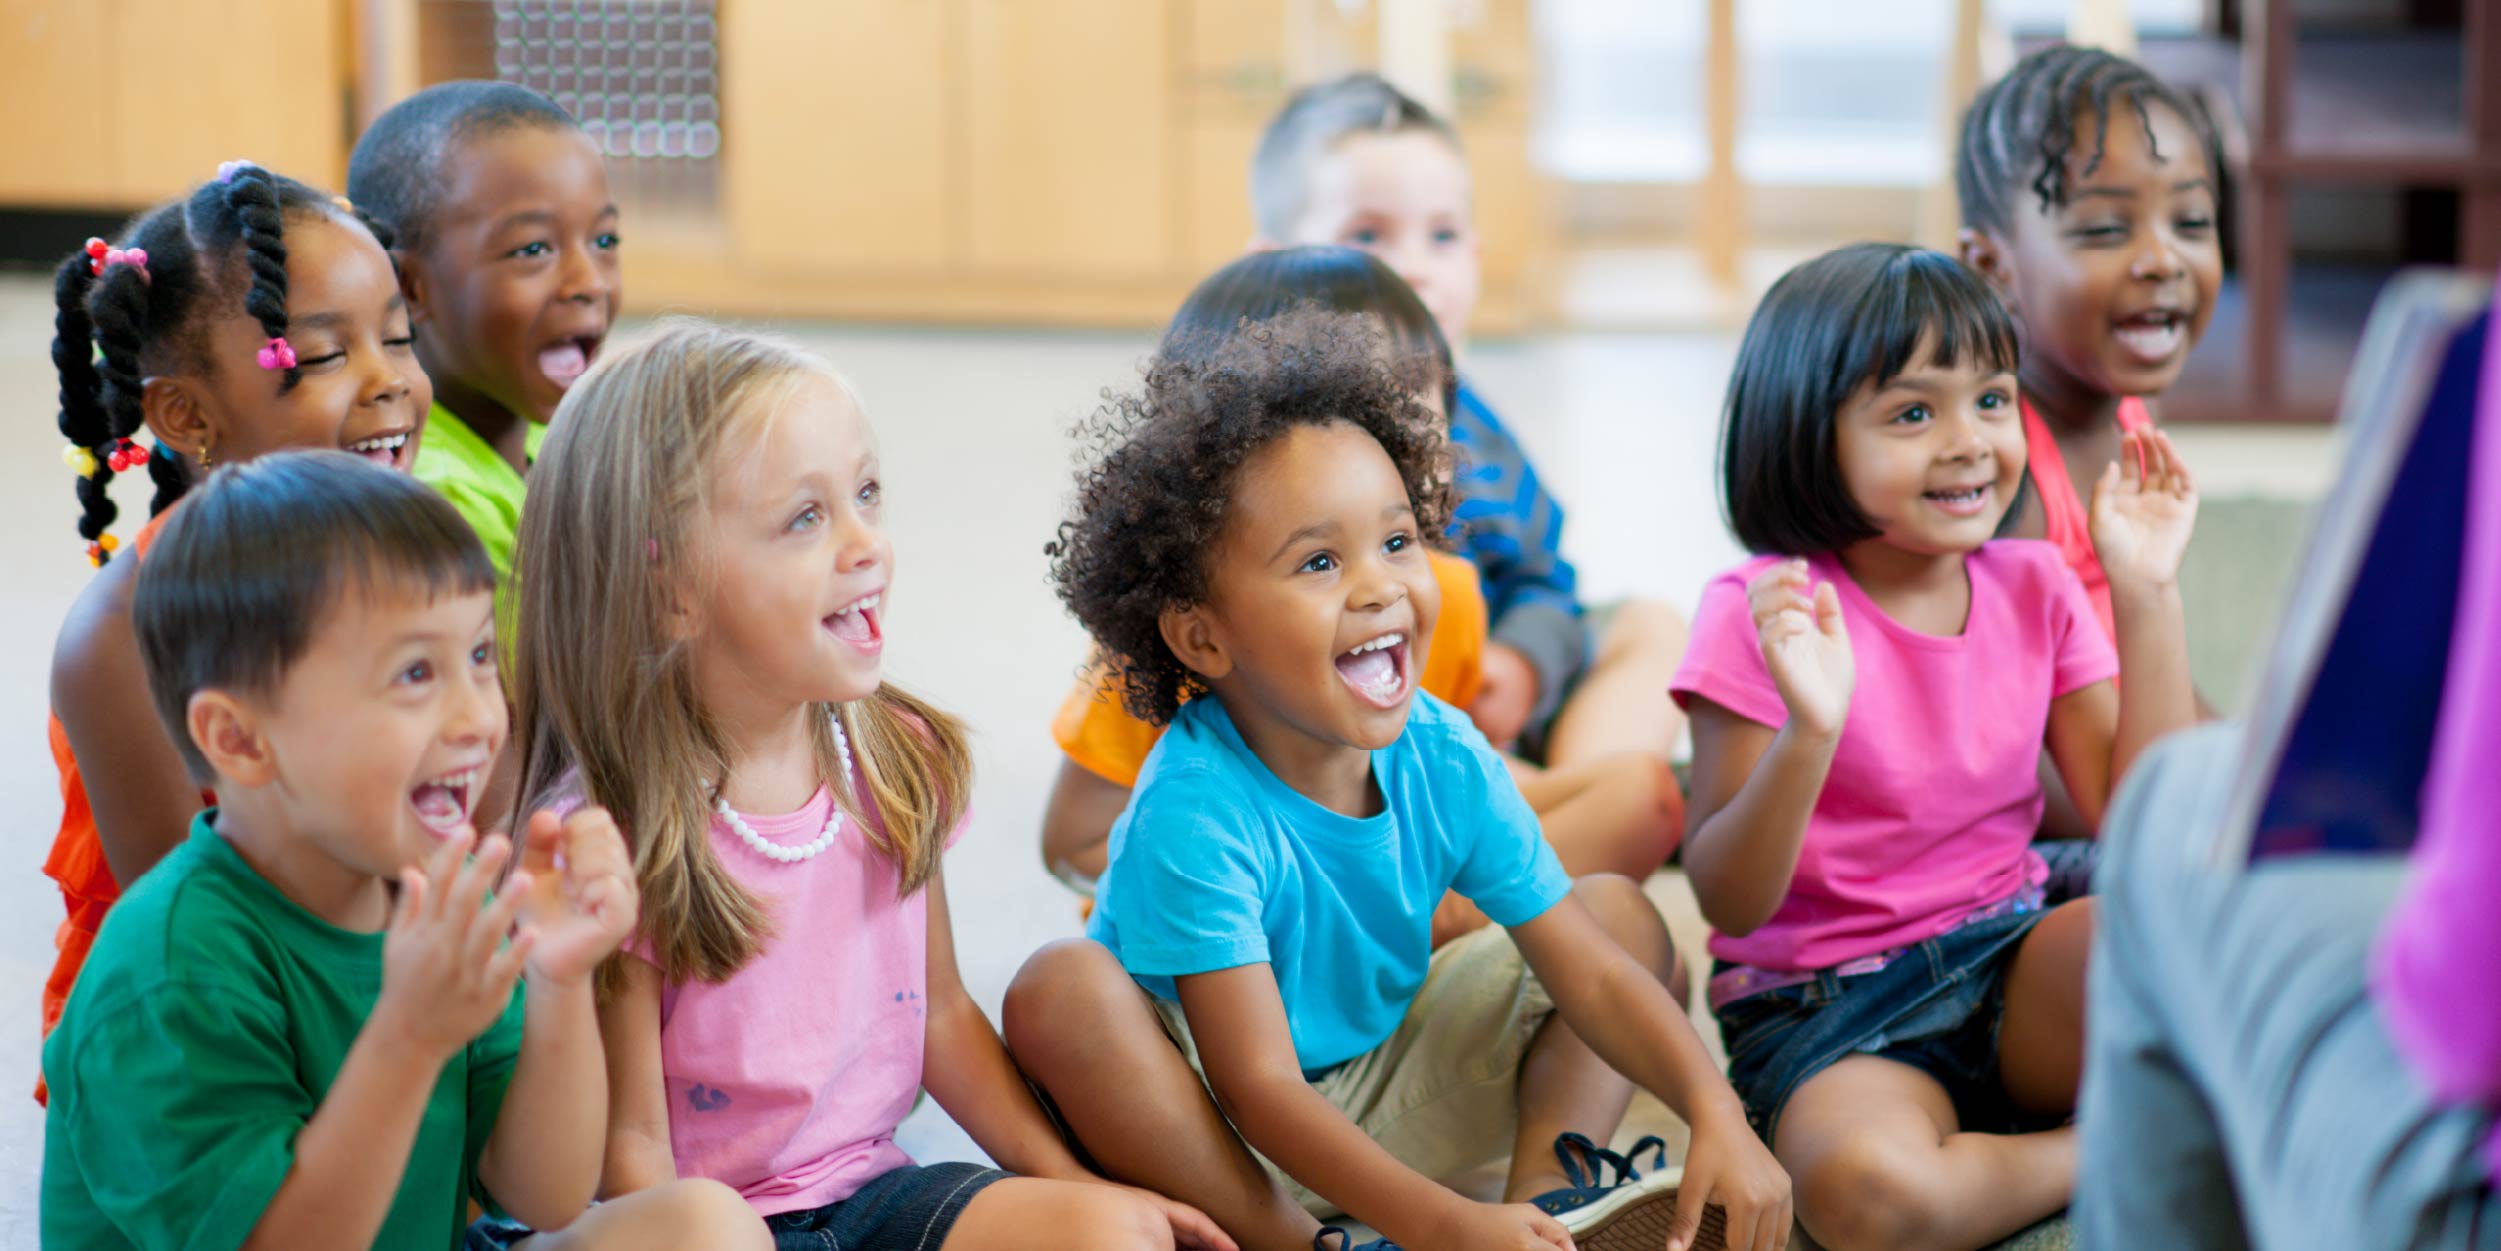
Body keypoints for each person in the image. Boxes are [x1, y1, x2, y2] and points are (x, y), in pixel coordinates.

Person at [1008, 307, 1792, 1251]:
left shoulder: (1443, 752)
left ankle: (1547, 1207)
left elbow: (1586, 968)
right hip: (1208, 1126)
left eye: (1396, 541)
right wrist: (1440, 1224)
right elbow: (1257, 1085)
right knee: (1060, 988)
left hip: (1376, 1085)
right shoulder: (1194, 806)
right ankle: (1306, 1243)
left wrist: (1719, 1111)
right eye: (1319, 561)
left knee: (1619, 920)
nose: (1380, 587)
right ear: (1201, 635)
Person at [1675, 244, 2199, 1250]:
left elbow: (2144, 826)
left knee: (2206, 931)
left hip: (2010, 949)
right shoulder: (1759, 610)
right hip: (1831, 1014)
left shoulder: (2032, 583)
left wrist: (2144, 592)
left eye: (1991, 401)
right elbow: (1727, 896)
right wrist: (1810, 730)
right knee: (1871, 1197)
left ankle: (2059, 1133)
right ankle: (2106, 1145)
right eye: (1912, 413)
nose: (1967, 442)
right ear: (1805, 433)